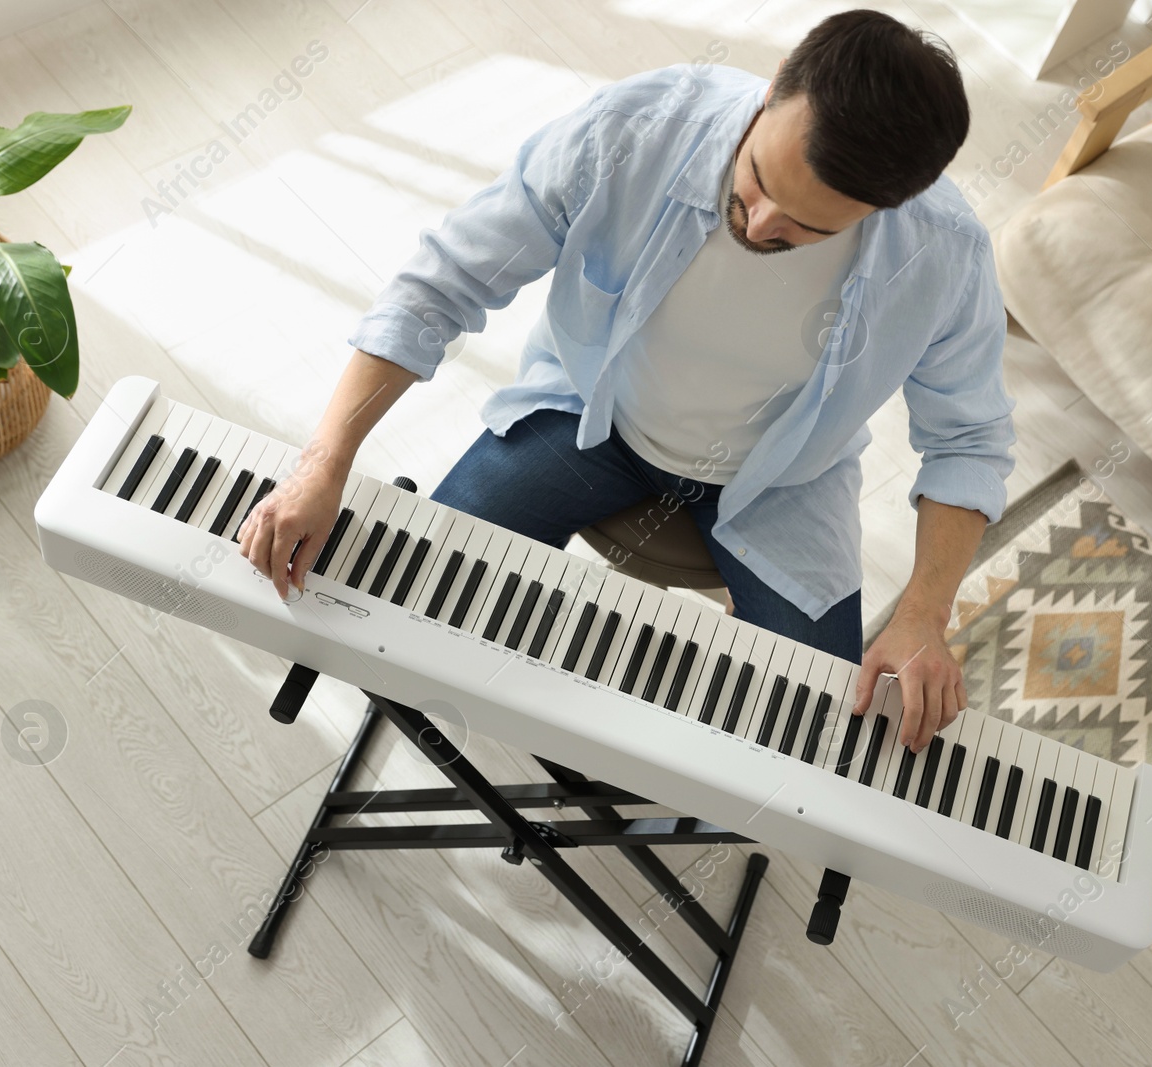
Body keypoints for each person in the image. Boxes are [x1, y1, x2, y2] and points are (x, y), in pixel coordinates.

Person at [239, 8, 1016, 755]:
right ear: (775, 83)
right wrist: (325, 460)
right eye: (755, 180)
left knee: (811, 742)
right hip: (590, 418)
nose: (762, 222)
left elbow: (970, 440)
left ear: (895, 203)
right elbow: (444, 283)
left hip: (782, 483)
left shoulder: (945, 257)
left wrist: (924, 612)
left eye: (808, 227)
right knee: (409, 607)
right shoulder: (635, 129)